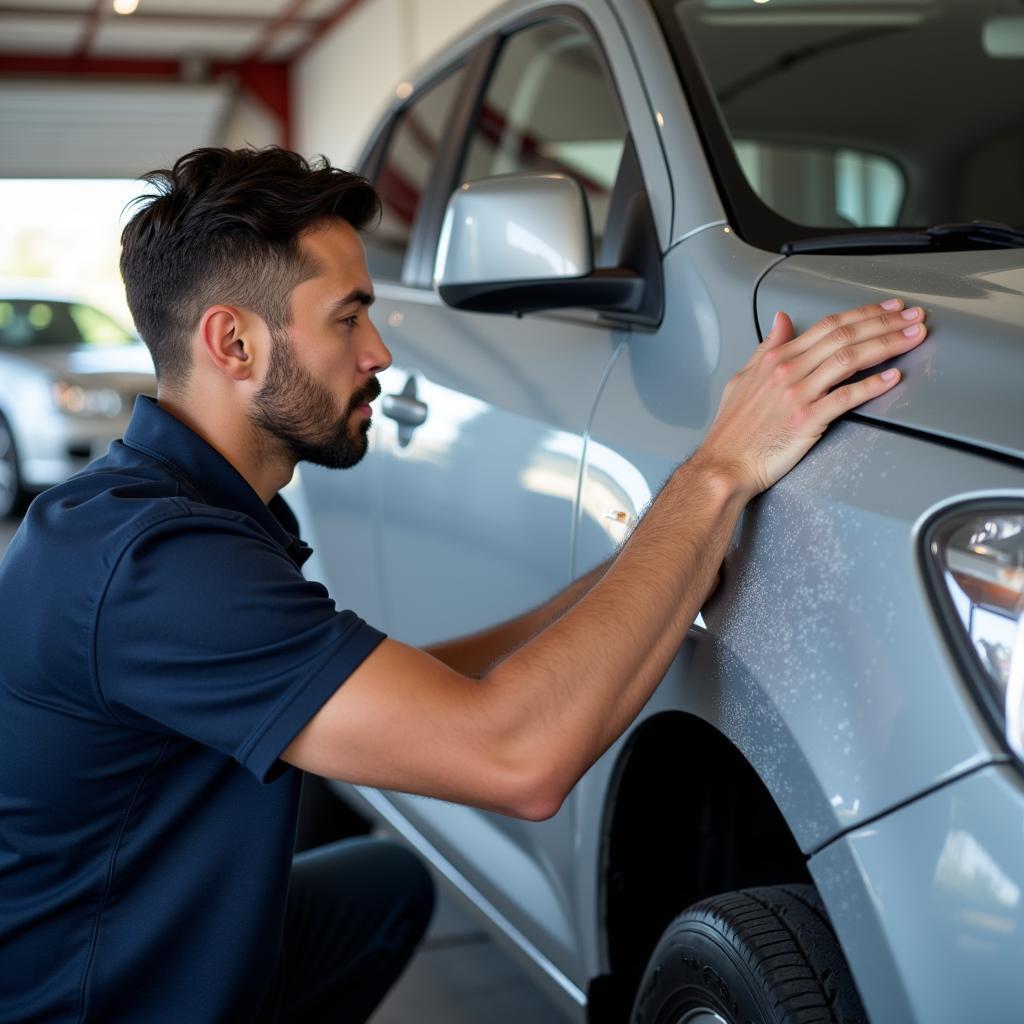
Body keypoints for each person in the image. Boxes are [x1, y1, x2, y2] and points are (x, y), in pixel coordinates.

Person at [0, 146, 928, 1022]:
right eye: (347, 317)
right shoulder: (159, 565)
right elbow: (515, 761)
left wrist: (655, 558)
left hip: (130, 932)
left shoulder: (178, 513)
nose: (381, 356)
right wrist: (719, 468)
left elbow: (414, 691)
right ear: (233, 344)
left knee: (383, 889)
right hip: (86, 998)